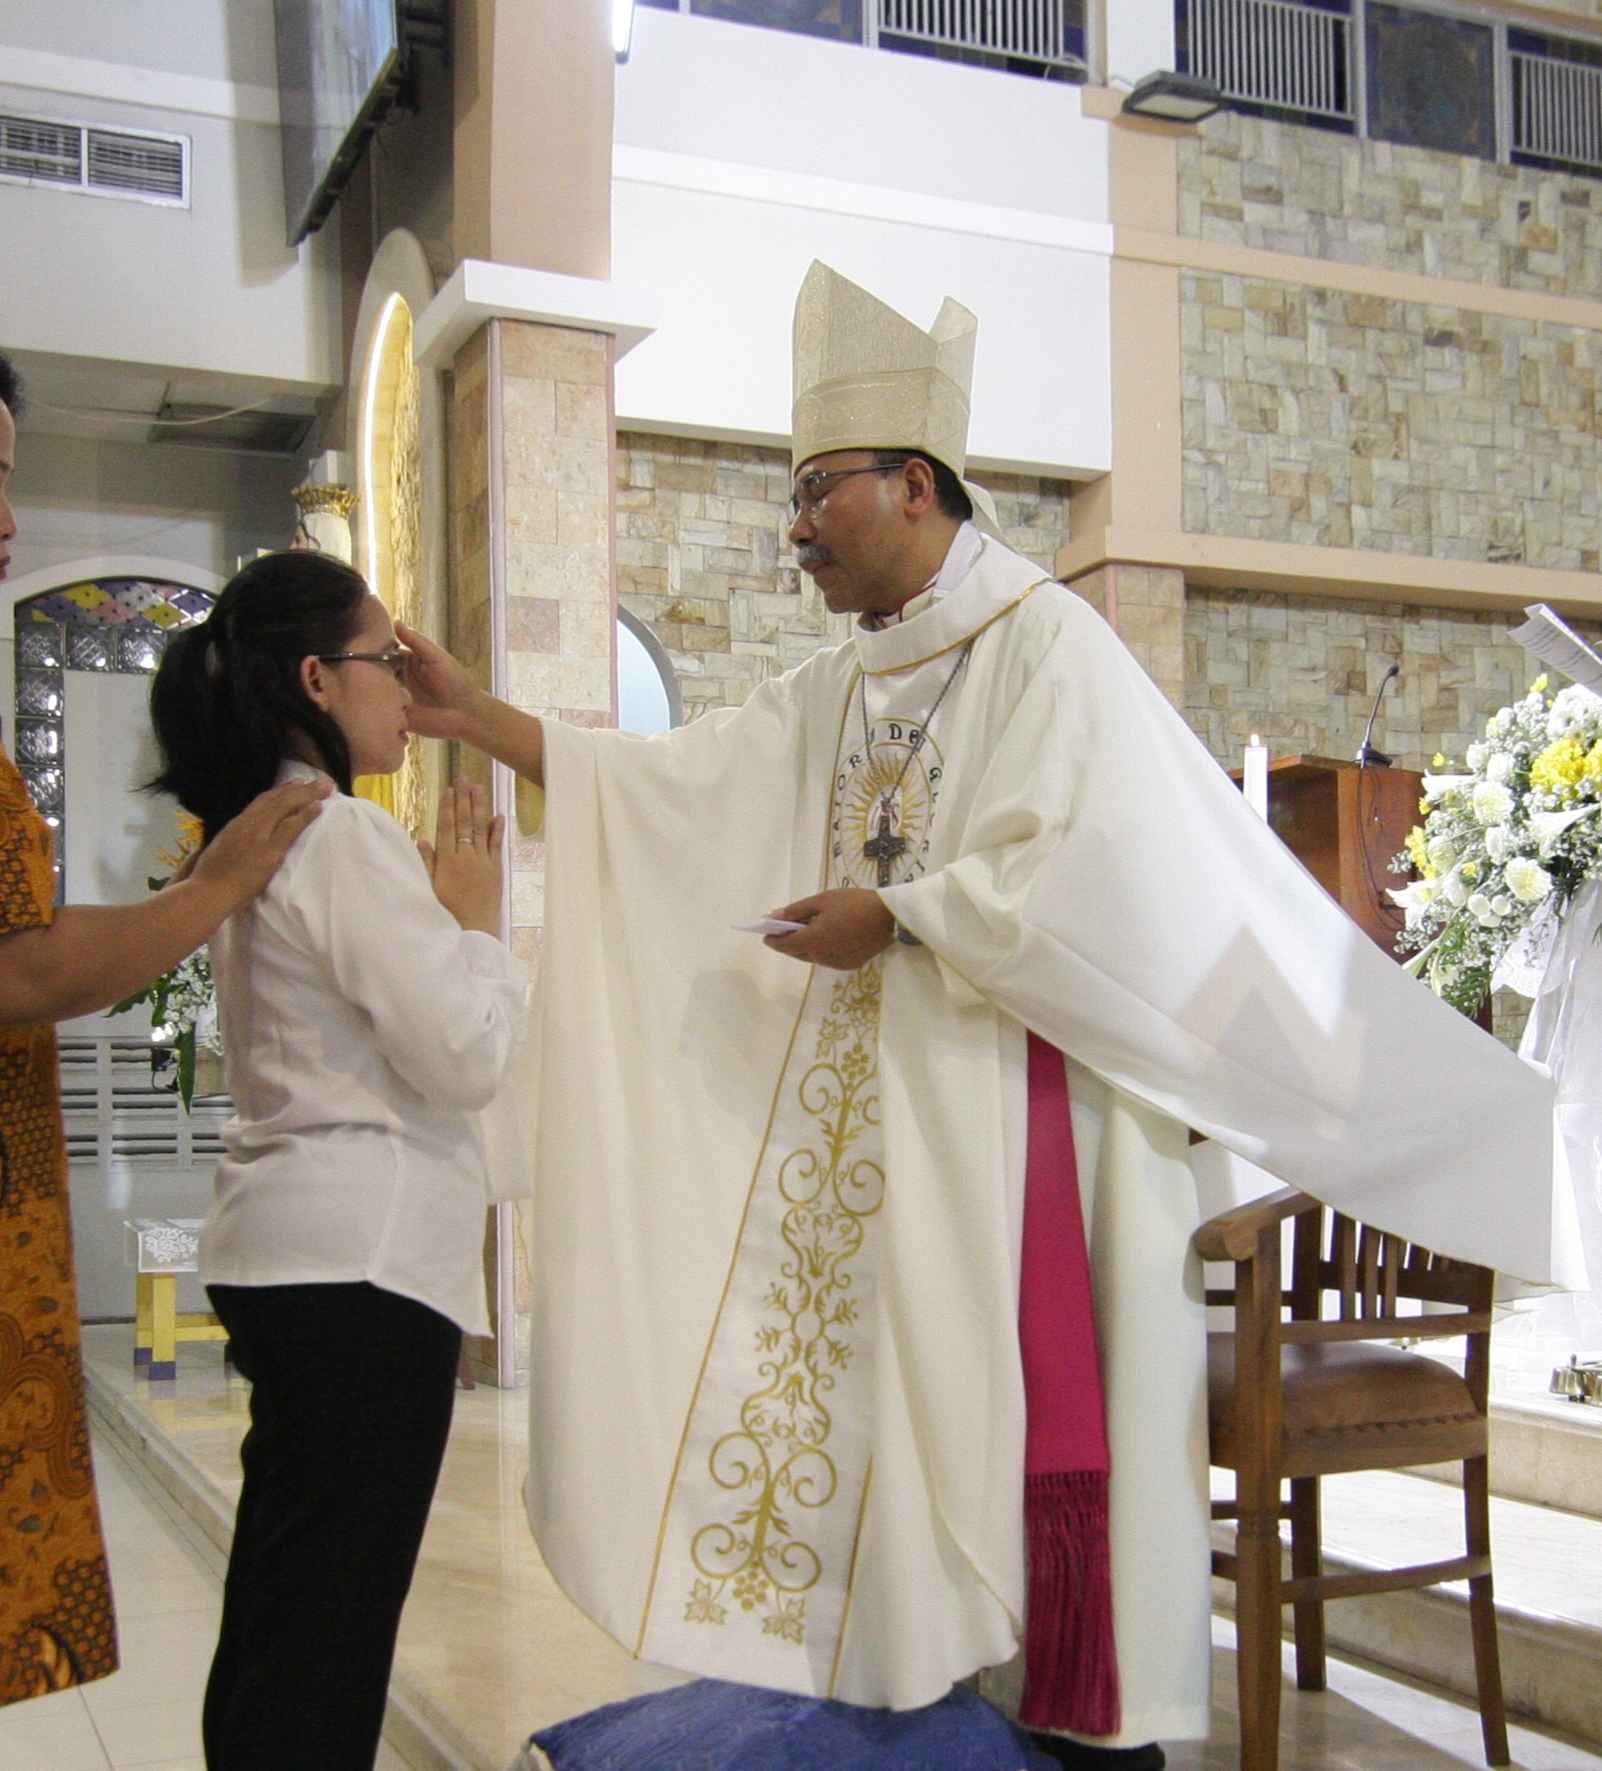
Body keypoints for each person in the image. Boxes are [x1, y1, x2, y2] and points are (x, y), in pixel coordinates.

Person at [402, 265, 1562, 1766]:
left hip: (1034, 1130)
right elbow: (678, 781)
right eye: (792, 494)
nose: (795, 527)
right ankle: (926, 1678)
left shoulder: (1048, 646)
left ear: (914, 481)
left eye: (817, 490)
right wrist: (477, 715)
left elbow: (1097, 876)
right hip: (894, 1140)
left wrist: (899, 915)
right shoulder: (844, 681)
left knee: (1034, 1429)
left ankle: (1071, 1720)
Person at [145, 550, 528, 1769]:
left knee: (284, 1608)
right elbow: (464, 1053)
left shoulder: (260, 830)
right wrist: (477, 924)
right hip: (364, 1266)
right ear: (316, 678)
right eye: (387, 663)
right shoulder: (344, 834)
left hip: (285, 1252)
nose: (406, 692)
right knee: (329, 1633)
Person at [0, 351, 328, 1708]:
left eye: (8, 480)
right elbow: (23, 971)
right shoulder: (300, 842)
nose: (6, 520)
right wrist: (212, 886)